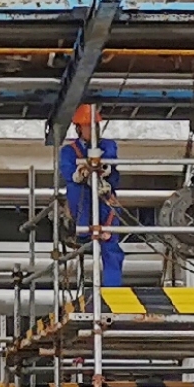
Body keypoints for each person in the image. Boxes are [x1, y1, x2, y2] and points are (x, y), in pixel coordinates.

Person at [57, 103, 125, 285]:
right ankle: (83, 229)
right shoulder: (69, 151)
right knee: (76, 189)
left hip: (105, 202)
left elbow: (110, 161)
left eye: (94, 125)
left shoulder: (108, 145)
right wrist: (81, 173)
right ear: (79, 128)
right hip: (82, 203)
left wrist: (102, 168)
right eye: (88, 126)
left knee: (111, 249)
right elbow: (68, 172)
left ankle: (112, 291)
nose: (92, 130)